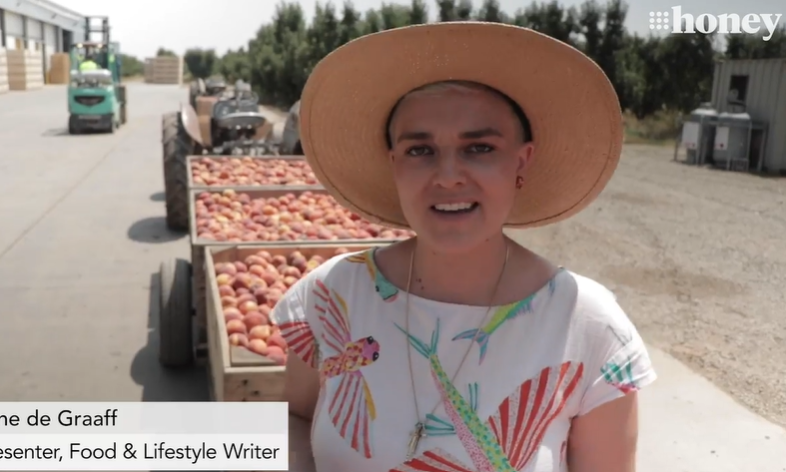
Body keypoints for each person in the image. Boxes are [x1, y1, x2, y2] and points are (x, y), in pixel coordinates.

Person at [271, 21, 657, 472]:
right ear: (393, 163)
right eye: (420, 150)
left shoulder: (587, 326)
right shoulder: (331, 296)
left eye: (479, 148)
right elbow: (295, 417)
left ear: (521, 161)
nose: (449, 175)